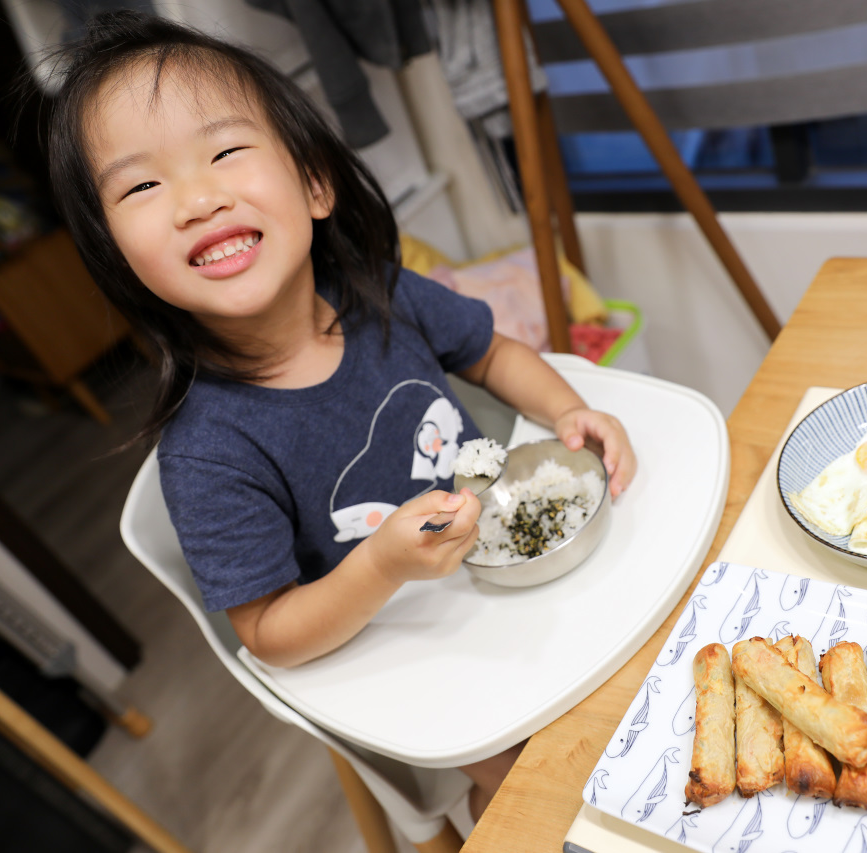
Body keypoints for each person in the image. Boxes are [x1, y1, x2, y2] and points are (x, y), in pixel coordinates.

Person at [41, 10, 636, 821]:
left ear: (315, 183)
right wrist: (380, 566)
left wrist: (569, 410)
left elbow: (491, 354)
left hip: (500, 571)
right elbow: (269, 631)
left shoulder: (379, 291)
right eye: (142, 186)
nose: (197, 199)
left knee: (625, 673)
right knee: (532, 786)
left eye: (224, 151)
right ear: (119, 258)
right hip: (402, 650)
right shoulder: (209, 452)